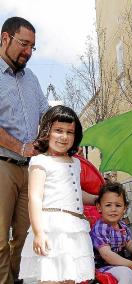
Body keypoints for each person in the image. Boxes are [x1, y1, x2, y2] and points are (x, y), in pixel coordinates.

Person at [19, 105, 96, 282]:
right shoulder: (41, 161)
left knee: (70, 277)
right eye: (58, 130)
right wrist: (39, 232)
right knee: (50, 277)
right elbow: (35, 198)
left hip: (74, 228)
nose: (64, 136)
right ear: (47, 131)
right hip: (52, 228)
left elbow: (75, 191)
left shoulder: (75, 163)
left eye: (70, 132)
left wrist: (97, 199)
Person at [0, 16, 49, 283]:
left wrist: (58, 130)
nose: (28, 52)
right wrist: (20, 146)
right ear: (5, 38)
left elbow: (46, 113)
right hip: (2, 165)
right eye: (23, 44)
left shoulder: (32, 78)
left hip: (30, 170)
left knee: (25, 236)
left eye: (33, 47)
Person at [90, 182, 132, 284]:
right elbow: (106, 255)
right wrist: (130, 264)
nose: (113, 209)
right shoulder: (101, 228)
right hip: (102, 266)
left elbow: (129, 244)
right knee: (127, 273)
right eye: (108, 205)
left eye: (118, 205)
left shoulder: (122, 226)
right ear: (99, 207)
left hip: (120, 264)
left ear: (124, 208)